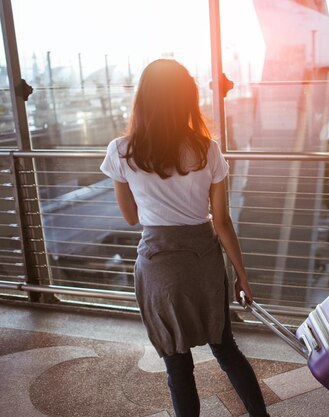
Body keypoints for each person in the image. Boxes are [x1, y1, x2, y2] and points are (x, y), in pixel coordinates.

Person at [100, 59, 270, 417]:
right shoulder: (208, 150)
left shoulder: (121, 151)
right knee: (226, 349)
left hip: (159, 266)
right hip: (204, 262)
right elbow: (221, 222)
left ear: (143, 99)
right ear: (187, 99)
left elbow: (131, 218)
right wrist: (242, 275)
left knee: (178, 366)